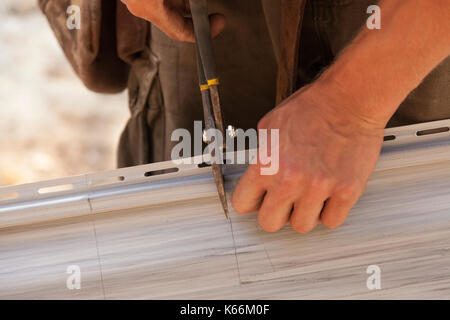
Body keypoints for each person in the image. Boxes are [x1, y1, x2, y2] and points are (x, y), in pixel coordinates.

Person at [40, 0, 450, 233]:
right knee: (185, 231)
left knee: (386, 228)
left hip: (406, 29)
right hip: (205, 18)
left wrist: (351, 106)